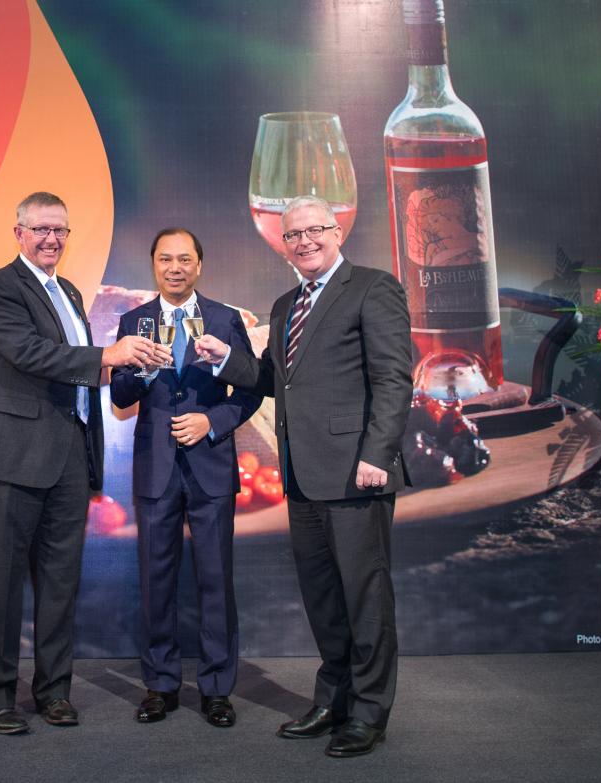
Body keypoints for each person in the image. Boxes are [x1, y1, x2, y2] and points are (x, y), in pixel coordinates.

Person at [194, 195, 412, 757]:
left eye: (315, 230)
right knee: (322, 597)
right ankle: (334, 698)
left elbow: (393, 379)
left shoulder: (373, 287)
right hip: (303, 474)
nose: (305, 242)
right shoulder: (287, 302)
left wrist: (376, 455)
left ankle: (368, 713)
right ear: (283, 243)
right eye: (294, 235)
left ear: (337, 231)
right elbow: (273, 380)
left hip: (355, 472)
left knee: (365, 597)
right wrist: (224, 358)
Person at [0, 191, 155, 735]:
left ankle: (53, 692)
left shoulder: (67, 290)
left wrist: (130, 368)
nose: (51, 239)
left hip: (69, 455)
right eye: (41, 229)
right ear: (18, 232)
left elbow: (76, 371)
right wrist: (106, 358)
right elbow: (29, 354)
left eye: (60, 231)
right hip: (8, 456)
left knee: (60, 581)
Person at [110, 228, 262, 728]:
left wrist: (212, 422)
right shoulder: (134, 321)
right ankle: (160, 685)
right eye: (165, 259)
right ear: (154, 265)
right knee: (156, 581)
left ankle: (217, 689)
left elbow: (252, 387)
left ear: (200, 265)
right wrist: (146, 373)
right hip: (155, 470)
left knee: (216, 579)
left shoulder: (225, 318)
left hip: (211, 466)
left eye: (185, 259)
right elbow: (120, 398)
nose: (174, 268)